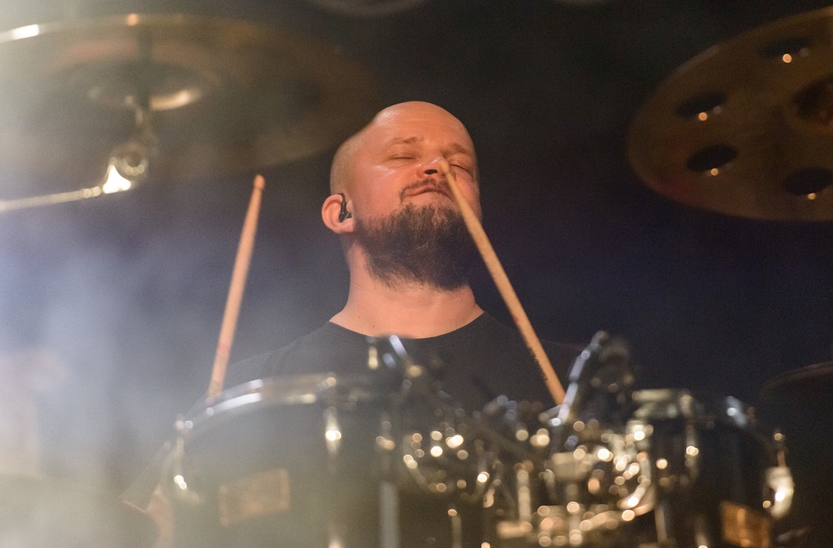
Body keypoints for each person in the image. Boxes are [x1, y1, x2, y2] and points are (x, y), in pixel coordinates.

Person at [225, 100, 578, 410]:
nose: (439, 166)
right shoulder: (253, 392)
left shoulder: (573, 386)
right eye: (403, 156)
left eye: (460, 165)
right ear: (341, 213)